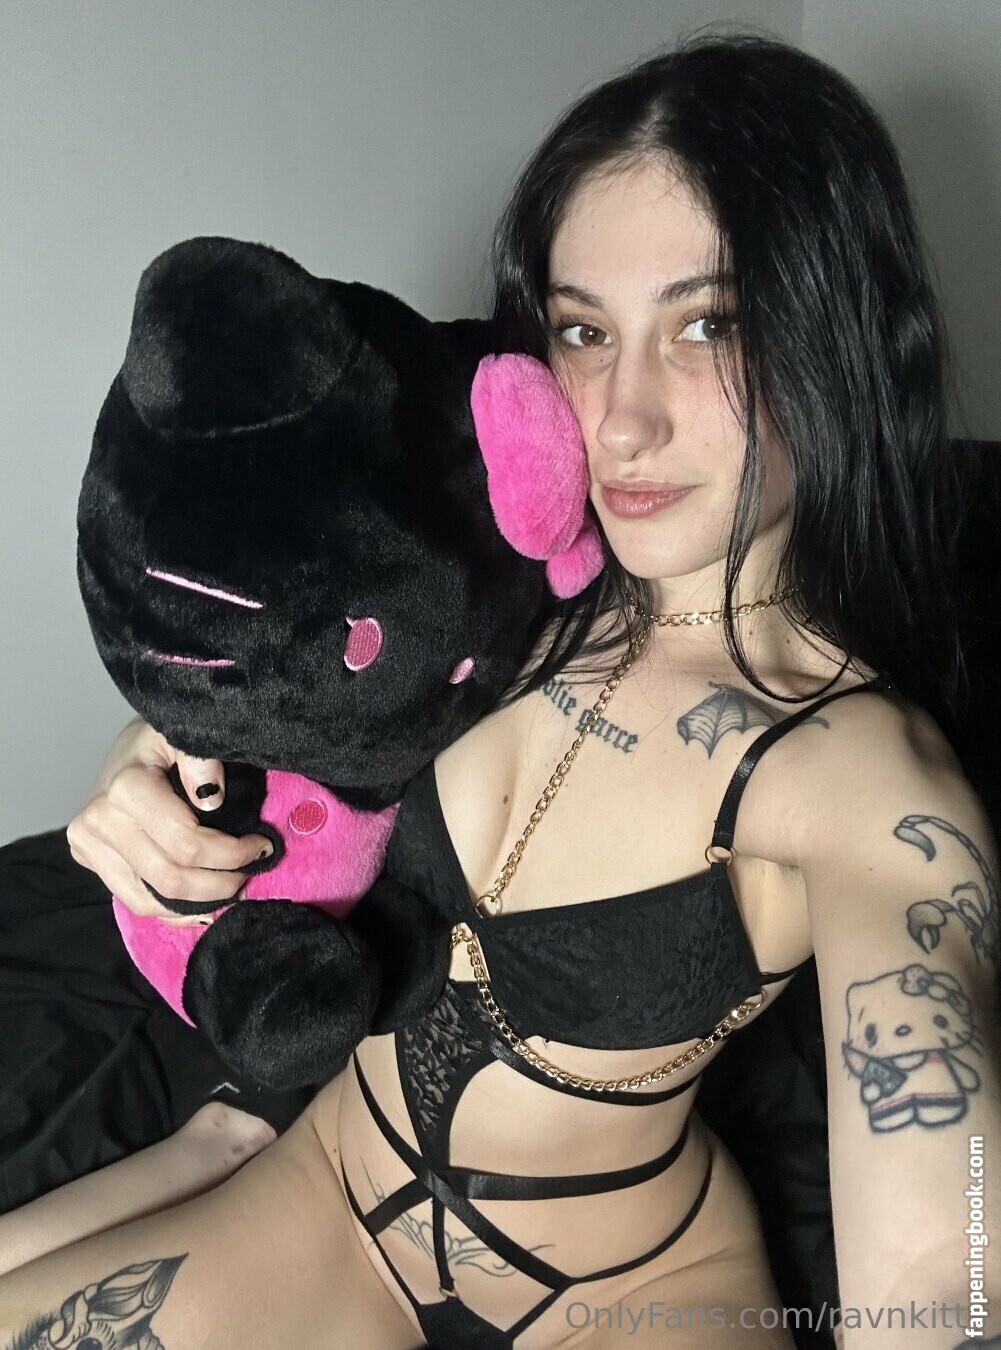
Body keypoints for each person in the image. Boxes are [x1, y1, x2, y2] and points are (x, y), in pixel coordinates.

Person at [1, 28, 998, 1350]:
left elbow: (939, 1260)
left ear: (841, 334)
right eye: (584, 330)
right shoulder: (490, 565)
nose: (623, 420)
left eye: (709, 324)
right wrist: (149, 757)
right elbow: (286, 672)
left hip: (630, 1291)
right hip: (333, 1189)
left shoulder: (858, 772)